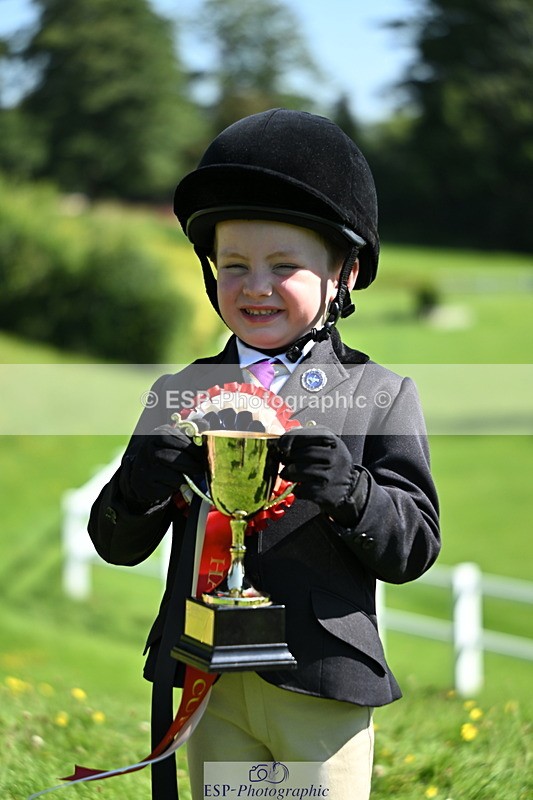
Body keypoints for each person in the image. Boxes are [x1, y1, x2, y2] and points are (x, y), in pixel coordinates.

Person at [88, 108, 440, 800]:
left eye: (284, 267)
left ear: (344, 273)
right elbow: (114, 542)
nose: (253, 286)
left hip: (320, 682)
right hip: (206, 679)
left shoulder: (381, 394)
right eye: (234, 265)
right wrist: (139, 485)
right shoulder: (179, 392)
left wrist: (354, 493)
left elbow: (415, 547)